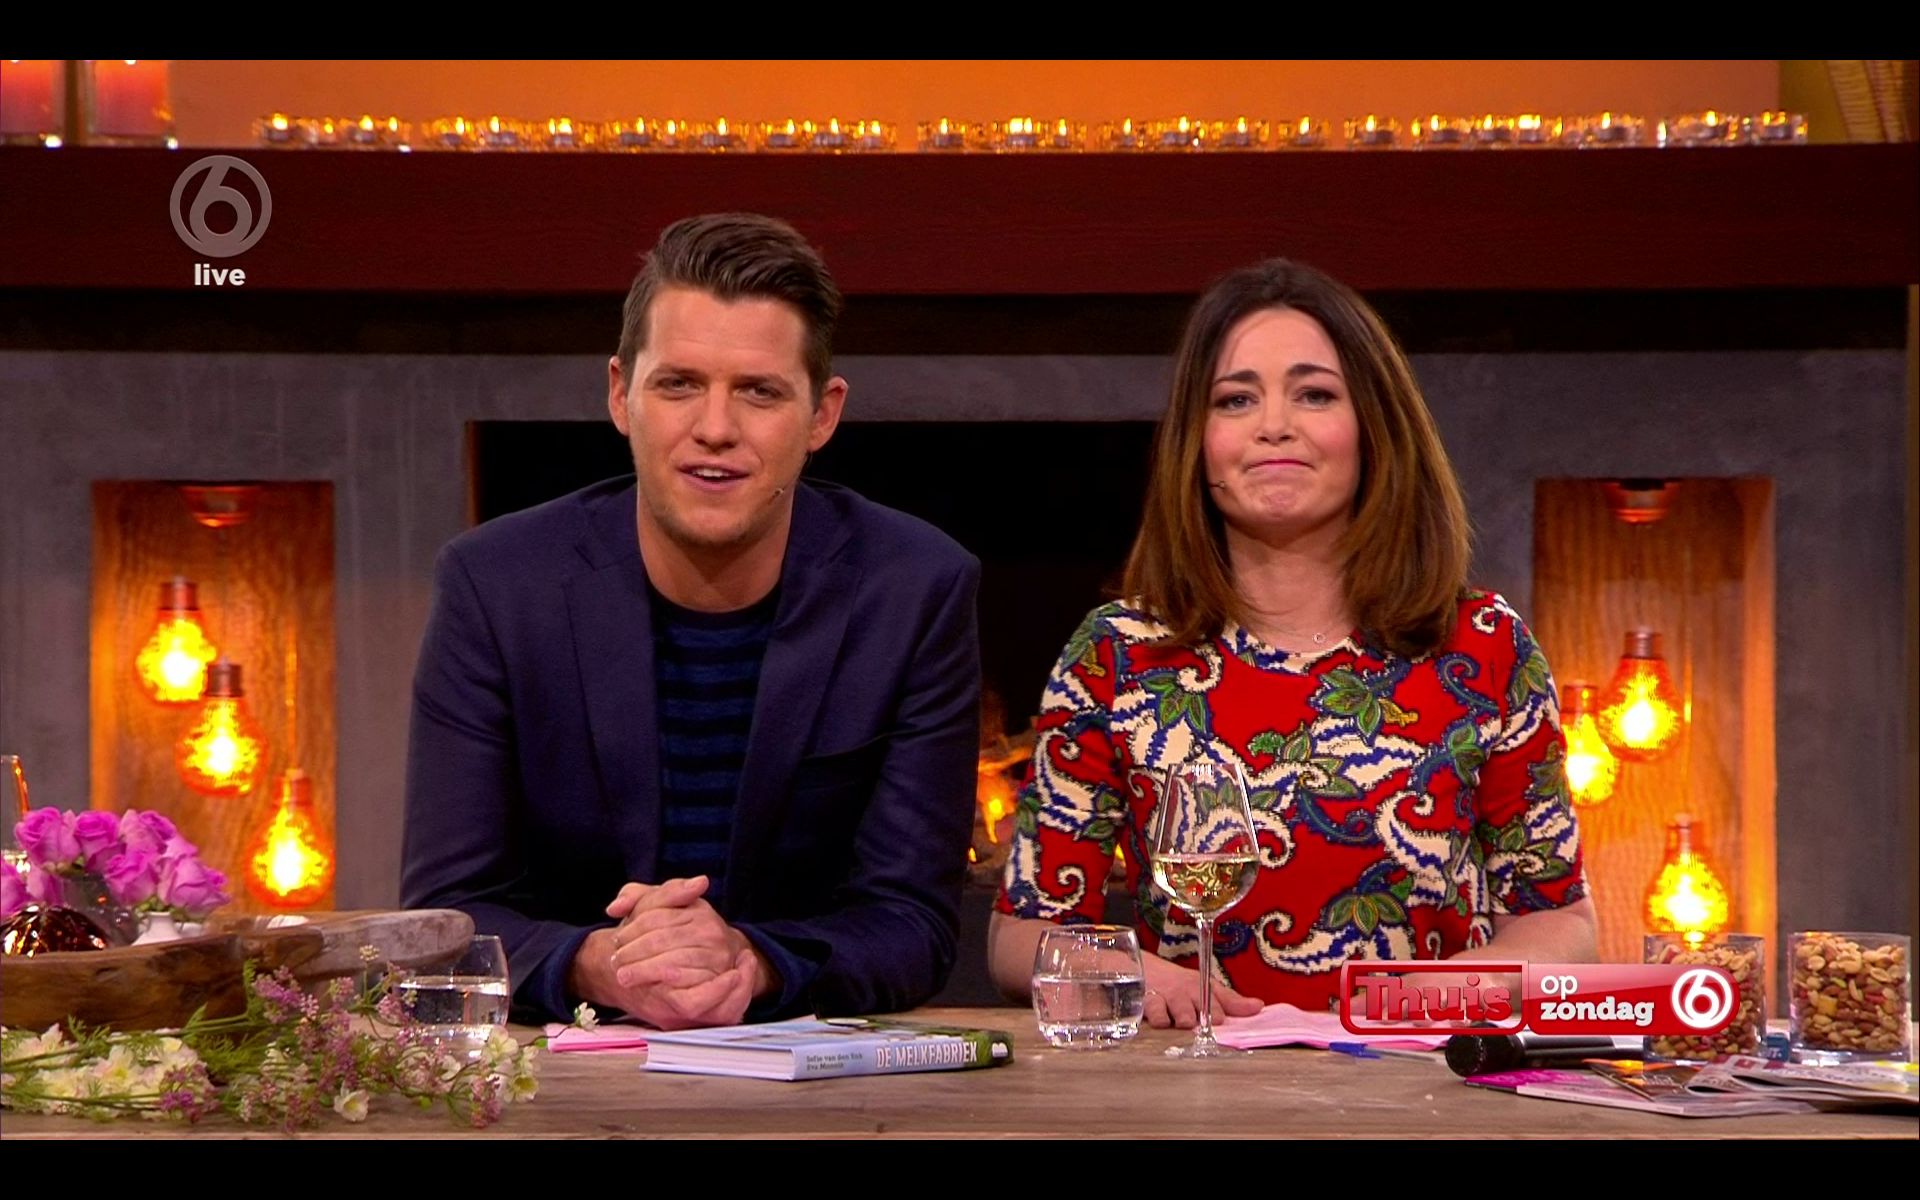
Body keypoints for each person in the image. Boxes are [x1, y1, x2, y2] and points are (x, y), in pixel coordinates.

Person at [402, 213, 981, 1030]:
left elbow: (914, 923)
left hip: (811, 1064)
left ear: (822, 415)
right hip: (565, 1065)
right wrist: (603, 964)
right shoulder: (496, 586)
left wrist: (752, 963)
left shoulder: (915, 589)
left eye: (759, 391)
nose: (715, 428)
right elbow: (446, 915)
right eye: (678, 384)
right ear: (620, 394)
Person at [989, 258, 1596, 1028]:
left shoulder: (1483, 645)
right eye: (1236, 399)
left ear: (1374, 428)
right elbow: (1022, 935)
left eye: (1314, 394)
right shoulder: (1118, 653)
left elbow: (1561, 923)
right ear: (1197, 441)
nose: (1274, 425)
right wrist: (1136, 977)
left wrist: (1423, 1000)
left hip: (1419, 1074)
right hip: (1190, 1073)